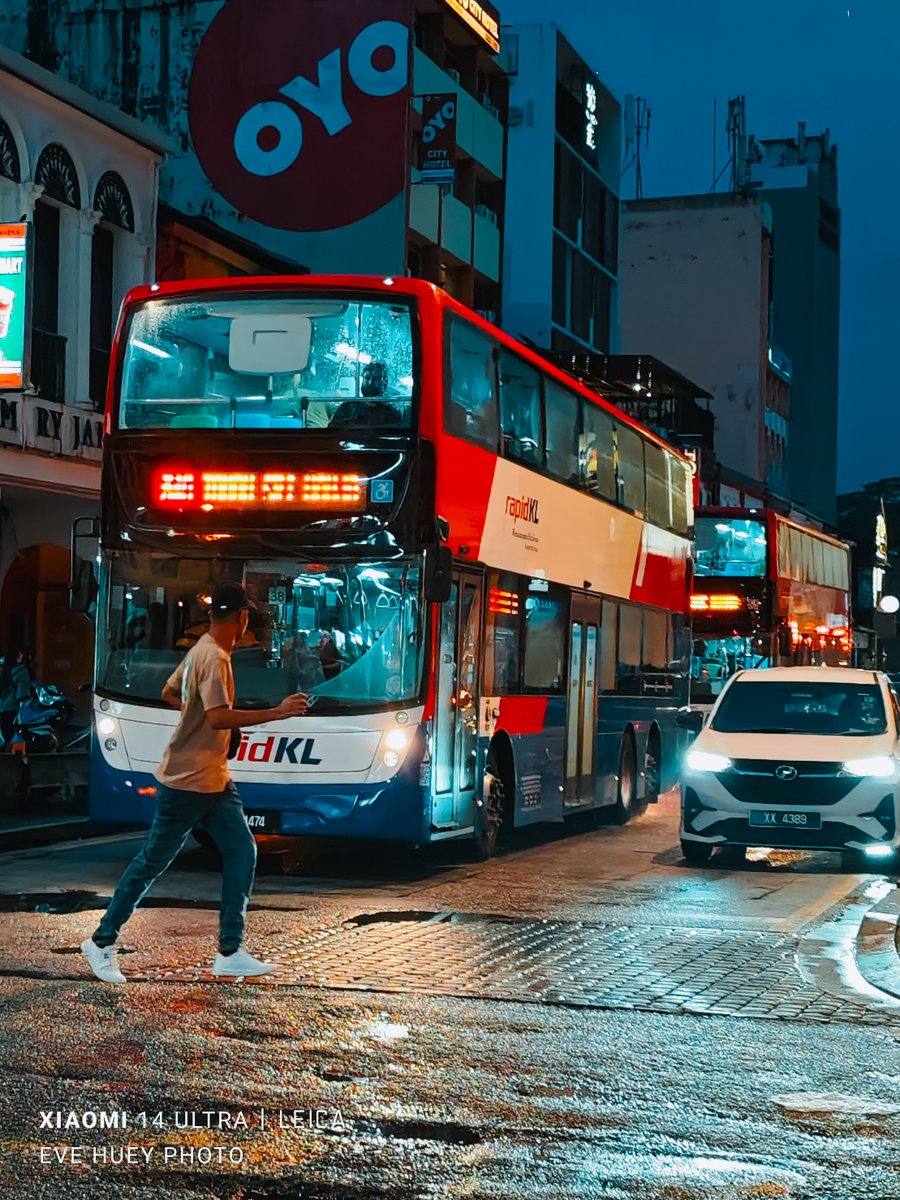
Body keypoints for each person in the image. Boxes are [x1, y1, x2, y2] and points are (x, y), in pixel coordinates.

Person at [81, 582, 308, 985]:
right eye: (246, 617)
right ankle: (101, 941)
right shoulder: (216, 657)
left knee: (241, 850)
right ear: (240, 618)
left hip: (212, 779)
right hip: (188, 781)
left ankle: (230, 951)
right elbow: (219, 717)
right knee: (153, 861)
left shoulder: (201, 649)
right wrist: (278, 712)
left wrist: (201, 719)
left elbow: (171, 692)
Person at [0, 647, 32, 748]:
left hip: (2, 707)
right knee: (16, 734)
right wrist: (24, 702)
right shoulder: (21, 670)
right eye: (20, 654)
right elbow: (22, 688)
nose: (21, 657)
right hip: (14, 707)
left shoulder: (2, 669)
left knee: (5, 734)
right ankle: (19, 758)